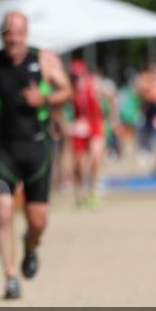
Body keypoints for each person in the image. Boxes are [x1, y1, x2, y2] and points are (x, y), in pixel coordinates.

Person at [0, 12, 72, 299]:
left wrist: (45, 98)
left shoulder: (45, 59)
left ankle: (31, 244)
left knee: (37, 221)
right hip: (5, 148)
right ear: (2, 35)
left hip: (38, 146)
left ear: (26, 34)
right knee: (2, 211)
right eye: (8, 34)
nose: (13, 40)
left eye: (18, 34)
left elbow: (67, 90)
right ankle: (10, 275)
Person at [68, 59, 105, 208]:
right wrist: (68, 125)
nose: (77, 79)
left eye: (79, 76)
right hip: (79, 126)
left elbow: (111, 98)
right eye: (74, 76)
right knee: (79, 163)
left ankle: (93, 191)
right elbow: (59, 109)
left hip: (95, 124)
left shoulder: (94, 85)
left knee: (96, 158)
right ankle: (79, 191)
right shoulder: (70, 89)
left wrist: (112, 119)